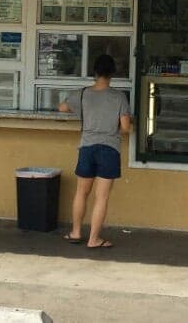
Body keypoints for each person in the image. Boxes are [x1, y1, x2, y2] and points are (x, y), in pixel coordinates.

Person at [58, 54, 132, 249]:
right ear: (112, 73)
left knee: (81, 192)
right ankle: (94, 239)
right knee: (102, 197)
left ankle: (75, 232)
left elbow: (62, 107)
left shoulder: (82, 94)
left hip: (87, 147)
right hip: (109, 149)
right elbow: (125, 127)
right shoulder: (119, 97)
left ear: (95, 72)